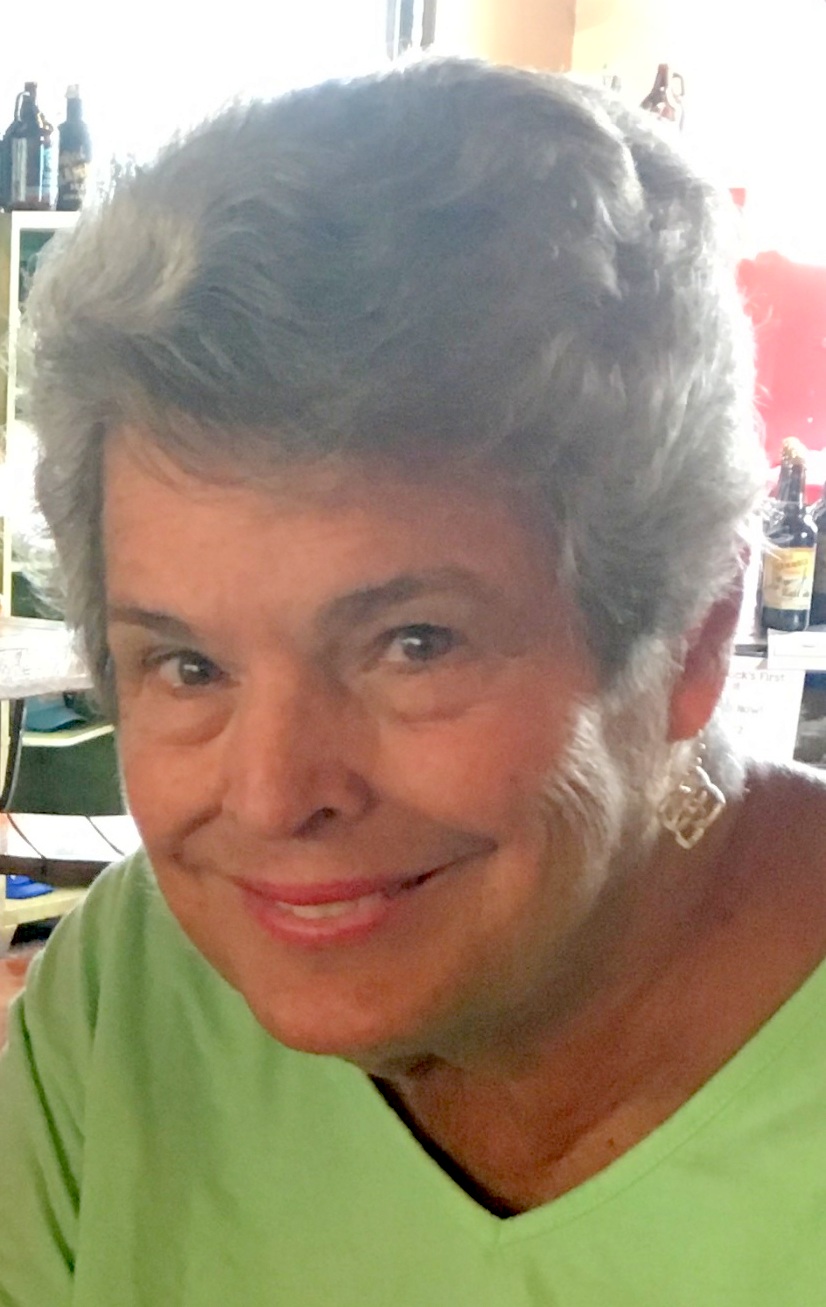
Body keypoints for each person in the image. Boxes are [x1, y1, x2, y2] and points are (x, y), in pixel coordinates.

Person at [0, 56, 823, 1306]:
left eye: (414, 643)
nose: (272, 795)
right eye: (189, 663)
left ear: (695, 635)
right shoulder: (137, 988)